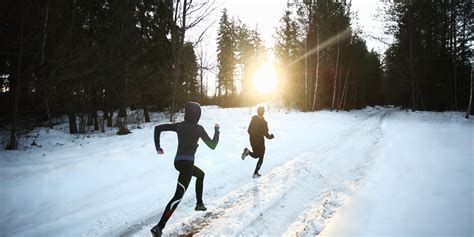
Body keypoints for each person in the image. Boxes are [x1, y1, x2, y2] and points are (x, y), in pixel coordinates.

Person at [151, 102, 220, 237]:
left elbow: (157, 128)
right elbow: (212, 145)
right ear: (197, 114)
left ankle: (199, 204)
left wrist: (157, 147)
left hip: (178, 162)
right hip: (187, 165)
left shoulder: (179, 125)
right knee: (177, 197)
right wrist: (217, 130)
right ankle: (159, 227)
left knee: (200, 175)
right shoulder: (198, 128)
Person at [241, 106, 274, 178]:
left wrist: (253, 136)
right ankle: (255, 173)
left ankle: (247, 152)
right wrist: (271, 136)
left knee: (256, 155)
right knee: (261, 156)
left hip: (252, 140)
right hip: (260, 141)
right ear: (263, 112)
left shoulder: (253, 119)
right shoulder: (264, 122)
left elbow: (249, 130)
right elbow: (266, 134)